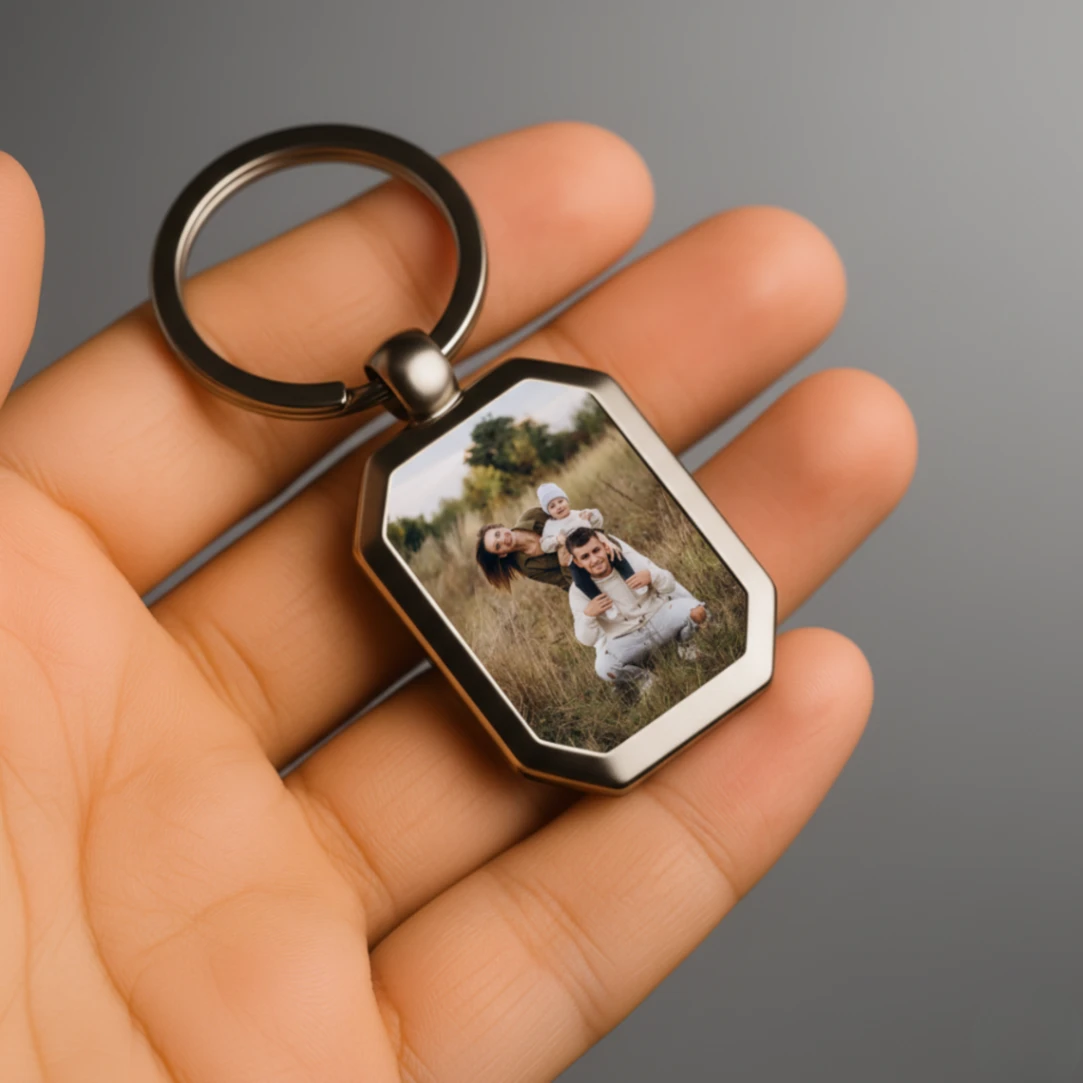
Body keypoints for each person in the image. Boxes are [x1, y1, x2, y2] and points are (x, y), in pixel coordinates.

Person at [0, 131, 906, 1082]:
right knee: (608, 663)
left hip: (657, 605)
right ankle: (658, 659)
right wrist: (564, 572)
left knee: (674, 612)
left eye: (560, 539)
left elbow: (581, 524)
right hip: (609, 637)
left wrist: (615, 566)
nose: (563, 545)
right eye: (541, 545)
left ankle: (686, 641)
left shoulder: (595, 534)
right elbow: (548, 571)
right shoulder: (536, 559)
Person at [566, 526, 708, 692]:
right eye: (585, 556)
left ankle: (685, 646)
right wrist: (588, 615)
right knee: (605, 669)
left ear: (605, 547)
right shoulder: (577, 591)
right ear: (577, 562)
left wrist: (652, 576)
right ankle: (645, 679)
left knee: (697, 611)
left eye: (596, 550)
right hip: (627, 638)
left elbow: (669, 585)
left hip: (658, 618)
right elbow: (586, 640)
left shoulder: (629, 561)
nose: (594, 559)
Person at [535, 480, 637, 599]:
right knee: (581, 581)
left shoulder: (578, 514)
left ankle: (633, 580)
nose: (558, 507)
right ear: (548, 512)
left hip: (594, 548)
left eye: (560, 501)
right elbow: (544, 545)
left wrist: (591, 515)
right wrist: (557, 540)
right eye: (552, 506)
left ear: (567, 500)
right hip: (574, 559)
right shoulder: (551, 526)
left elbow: (597, 524)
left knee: (617, 555)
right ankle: (601, 600)